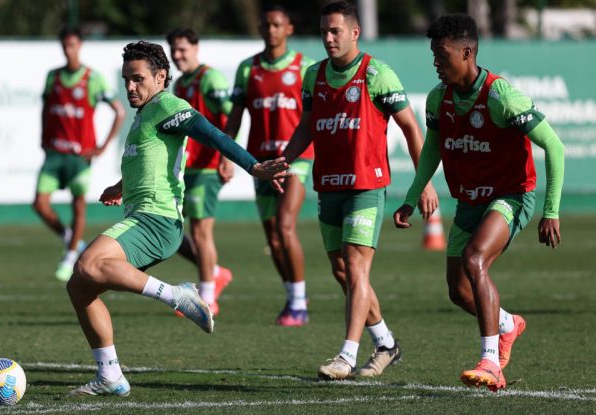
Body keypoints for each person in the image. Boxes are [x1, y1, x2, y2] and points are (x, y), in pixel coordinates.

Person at [66, 40, 290, 396]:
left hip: (157, 221)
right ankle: (110, 375)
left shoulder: (168, 104)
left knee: (89, 265)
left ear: (160, 77)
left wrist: (253, 166)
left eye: (138, 79)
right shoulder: (146, 113)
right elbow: (153, 159)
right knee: (79, 288)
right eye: (126, 79)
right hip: (144, 216)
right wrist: (121, 185)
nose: (130, 87)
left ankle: (177, 295)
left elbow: (213, 133)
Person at [393, 14, 564, 391]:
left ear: (467, 52)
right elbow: (432, 150)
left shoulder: (501, 95)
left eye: (442, 55)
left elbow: (554, 146)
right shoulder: (439, 99)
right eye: (434, 56)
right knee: (458, 291)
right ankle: (507, 324)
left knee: (475, 260)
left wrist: (550, 211)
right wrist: (411, 197)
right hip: (470, 201)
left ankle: (491, 363)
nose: (436, 63)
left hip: (511, 195)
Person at [278, 1, 438, 379]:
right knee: (342, 272)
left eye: (335, 31)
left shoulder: (376, 74)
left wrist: (424, 182)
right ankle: (385, 343)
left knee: (355, 265)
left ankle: (346, 356)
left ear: (354, 32)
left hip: (366, 186)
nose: (328, 38)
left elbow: (412, 129)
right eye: (323, 32)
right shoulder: (313, 75)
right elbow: (307, 125)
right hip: (328, 185)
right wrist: (284, 159)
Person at [225, 5, 315, 326]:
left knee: (286, 225)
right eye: (266, 24)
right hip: (260, 163)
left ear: (289, 28)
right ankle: (292, 299)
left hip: (295, 161)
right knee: (274, 239)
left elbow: (315, 115)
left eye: (277, 24)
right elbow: (235, 116)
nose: (271, 29)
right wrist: (227, 154)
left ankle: (301, 303)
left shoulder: (305, 66)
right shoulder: (248, 69)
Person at [34, 26, 126, 282]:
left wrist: (102, 147)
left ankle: (71, 253)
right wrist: (43, 137)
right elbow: (45, 108)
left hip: (79, 156)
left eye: (72, 45)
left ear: (80, 46)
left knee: (78, 205)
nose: (68, 50)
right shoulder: (53, 77)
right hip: (55, 153)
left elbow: (119, 111)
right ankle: (70, 238)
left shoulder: (91, 78)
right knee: (40, 204)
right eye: (65, 45)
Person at [167, 28, 234, 316]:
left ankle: (206, 297)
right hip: (188, 167)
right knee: (174, 230)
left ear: (196, 48)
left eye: (183, 49)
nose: (178, 55)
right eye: (174, 50)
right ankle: (215, 272)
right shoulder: (180, 84)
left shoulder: (211, 78)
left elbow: (230, 115)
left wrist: (227, 156)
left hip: (208, 165)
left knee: (200, 231)